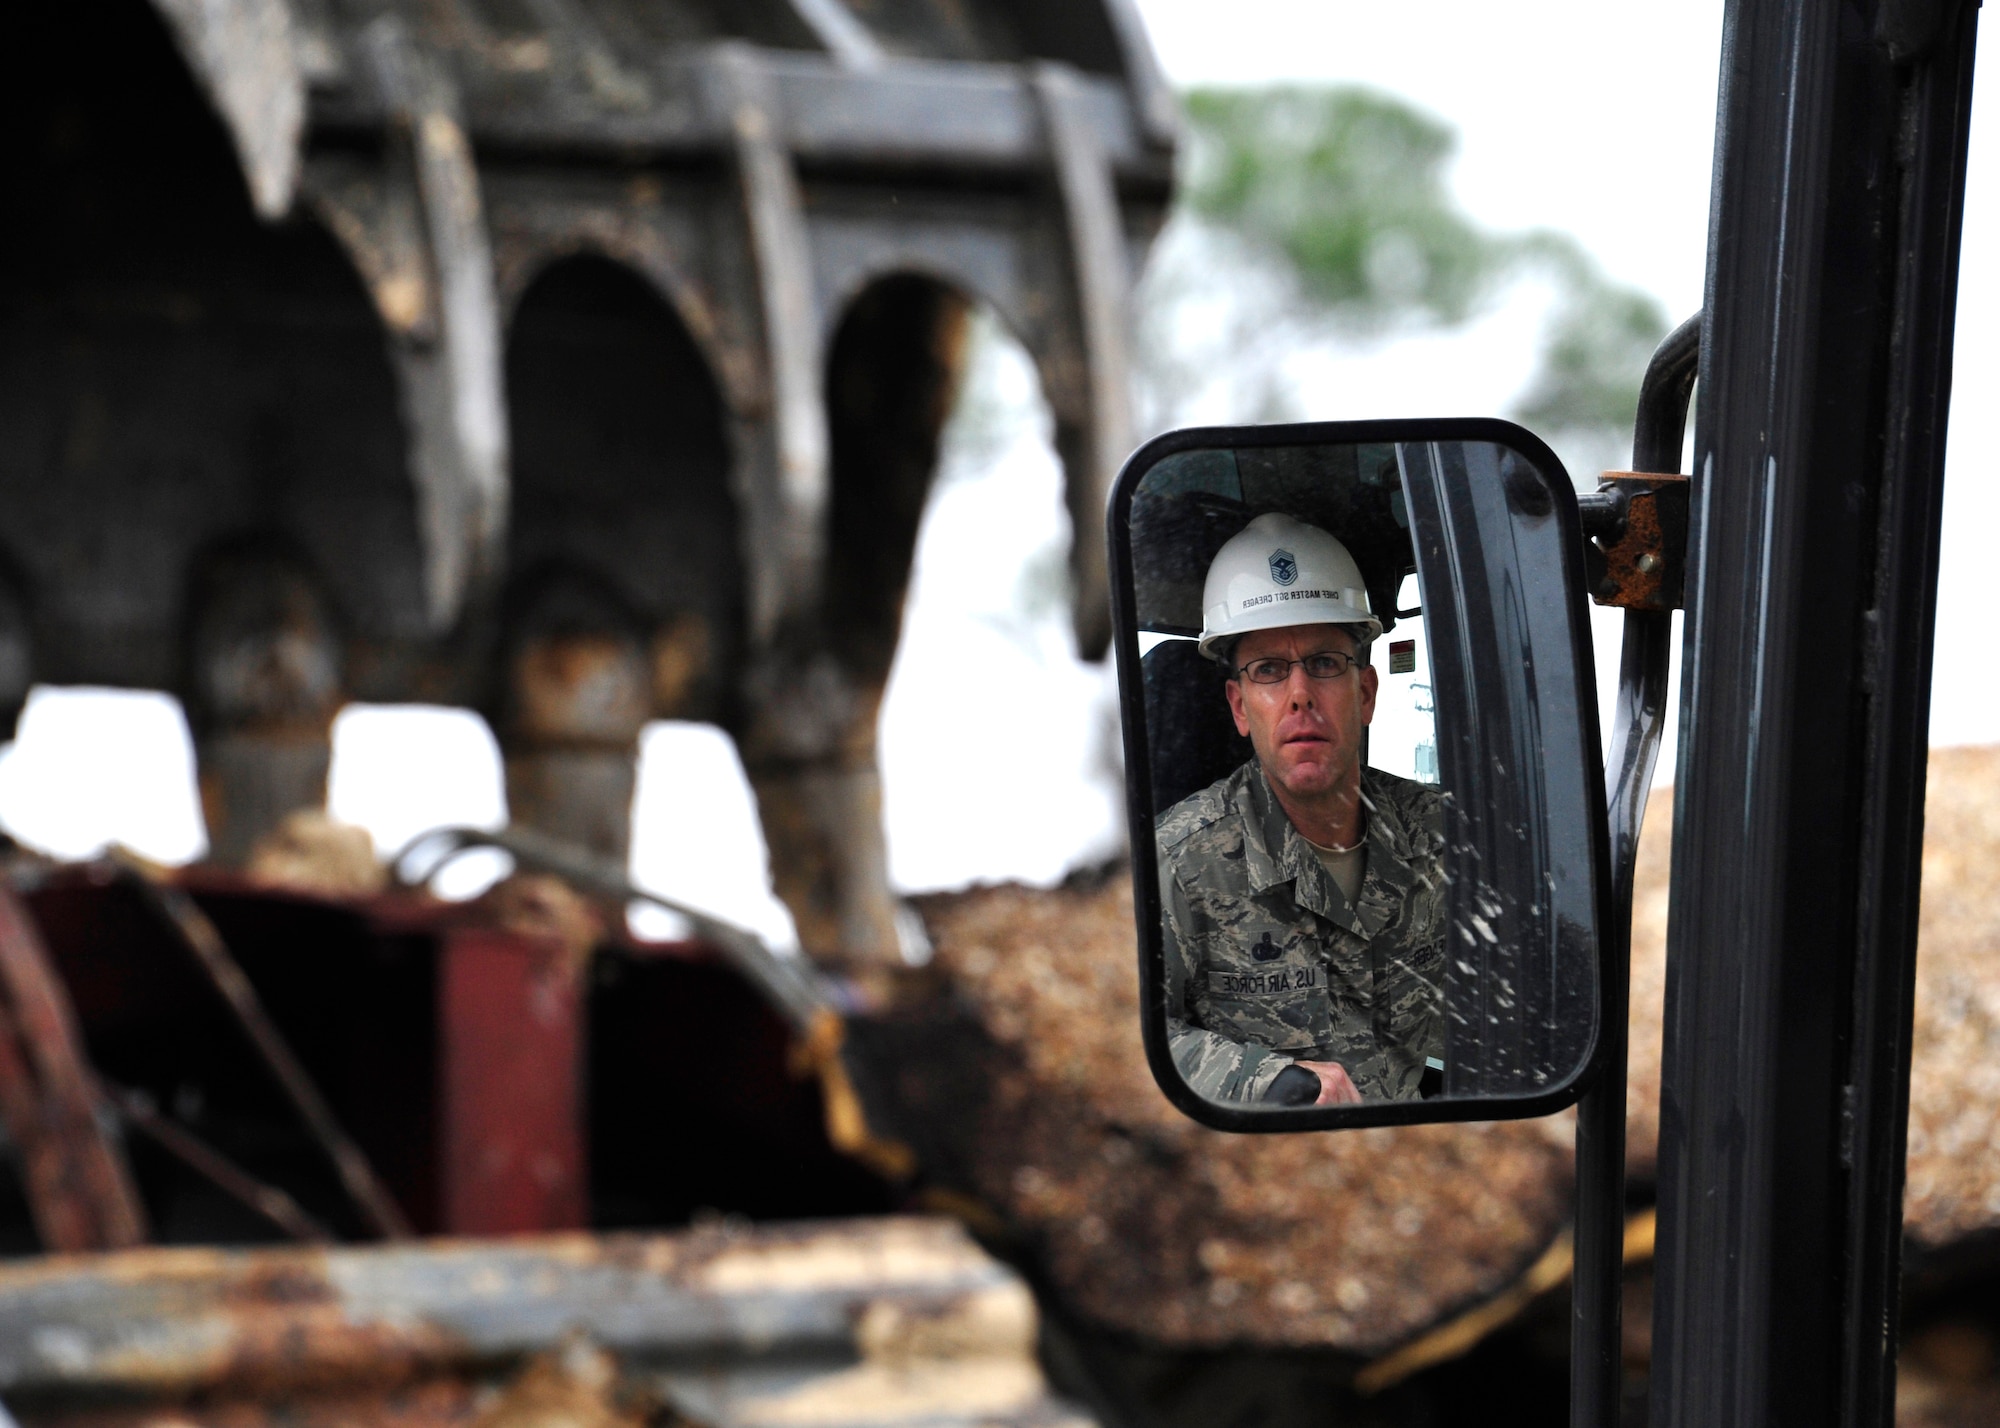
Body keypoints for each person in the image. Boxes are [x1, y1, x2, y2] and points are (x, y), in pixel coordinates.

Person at [1156, 512, 1446, 1105]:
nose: (1299, 695)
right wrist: (1267, 1083)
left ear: (1365, 692)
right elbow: (1127, 1036)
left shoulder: (1447, 834)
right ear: (1239, 708)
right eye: (1268, 671)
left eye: (1323, 663)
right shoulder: (1180, 861)